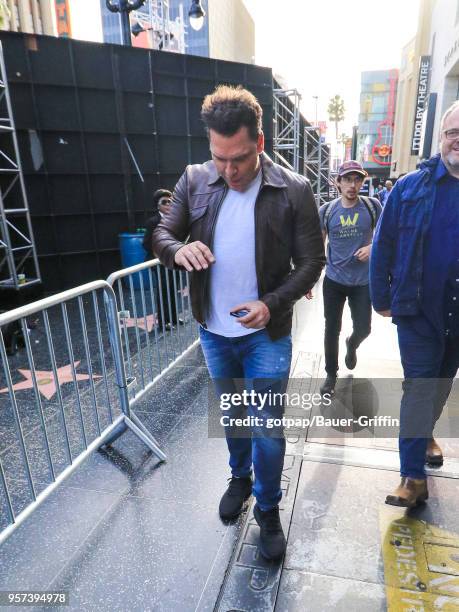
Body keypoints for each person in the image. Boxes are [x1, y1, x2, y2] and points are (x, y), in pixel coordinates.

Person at [152, 85, 325, 560]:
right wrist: (177, 249)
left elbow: (313, 261)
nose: (229, 171)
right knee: (232, 416)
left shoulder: (294, 190)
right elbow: (163, 232)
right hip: (214, 333)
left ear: (261, 143)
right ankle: (239, 477)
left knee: (267, 427)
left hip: (265, 335)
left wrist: (271, 303)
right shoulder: (195, 179)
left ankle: (268, 509)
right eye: (220, 158)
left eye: (241, 159)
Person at [370, 100, 459, 508]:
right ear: (441, 138)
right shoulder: (409, 188)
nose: (458, 140)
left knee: (440, 385)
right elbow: (383, 244)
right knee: (419, 388)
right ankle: (411, 477)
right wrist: (381, 297)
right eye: (453, 133)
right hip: (419, 312)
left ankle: (424, 436)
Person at [317, 160, 382, 395]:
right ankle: (330, 374)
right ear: (338, 182)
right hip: (334, 280)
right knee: (331, 328)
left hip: (362, 282)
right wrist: (309, 279)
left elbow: (387, 236)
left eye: (357, 179)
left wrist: (373, 247)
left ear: (362, 182)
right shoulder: (327, 211)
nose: (352, 185)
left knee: (364, 328)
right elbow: (318, 246)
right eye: (347, 179)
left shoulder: (372, 206)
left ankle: (352, 344)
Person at [143, 189, 179, 329]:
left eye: (170, 201)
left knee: (172, 289)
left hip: (172, 260)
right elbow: (146, 243)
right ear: (157, 205)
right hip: (159, 262)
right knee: (163, 290)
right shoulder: (153, 222)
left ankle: (174, 318)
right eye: (164, 202)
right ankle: (164, 322)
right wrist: (159, 254)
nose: (168, 204)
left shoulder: (175, 220)